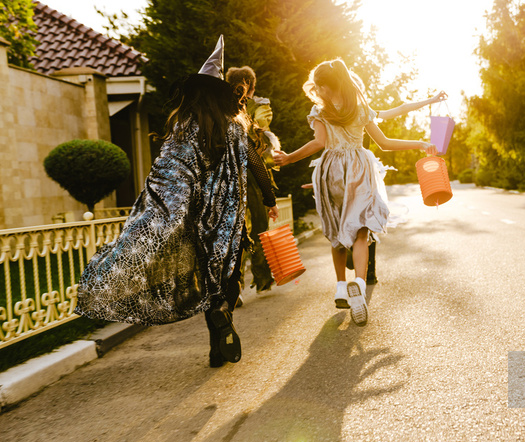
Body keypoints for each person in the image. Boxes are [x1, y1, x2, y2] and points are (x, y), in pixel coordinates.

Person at [74, 36, 278, 368]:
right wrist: (269, 197)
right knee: (227, 273)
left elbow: (165, 175)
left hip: (194, 219)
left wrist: (153, 212)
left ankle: (216, 334)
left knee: (204, 273)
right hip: (229, 218)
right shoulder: (233, 128)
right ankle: (224, 313)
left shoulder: (182, 128)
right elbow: (254, 163)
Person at [273, 58, 437, 327]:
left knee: (338, 230)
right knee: (362, 230)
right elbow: (384, 144)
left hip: (332, 172)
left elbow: (319, 143)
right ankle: (359, 283)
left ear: (327, 86)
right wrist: (419, 143)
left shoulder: (321, 111)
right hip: (360, 170)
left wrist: (289, 158)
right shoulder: (360, 109)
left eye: (319, 86)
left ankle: (340, 287)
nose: (317, 91)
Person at [344, 91, 449, 285]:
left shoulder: (364, 112)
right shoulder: (333, 115)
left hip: (364, 174)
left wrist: (432, 100)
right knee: (356, 224)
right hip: (345, 174)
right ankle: (355, 257)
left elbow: (401, 109)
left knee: (368, 222)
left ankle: (368, 272)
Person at [225, 66, 280, 295]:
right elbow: (256, 160)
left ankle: (231, 289)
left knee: (231, 232)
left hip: (221, 180)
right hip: (247, 177)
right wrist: (271, 199)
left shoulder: (216, 110)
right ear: (248, 83)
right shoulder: (243, 111)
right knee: (258, 226)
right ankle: (263, 278)